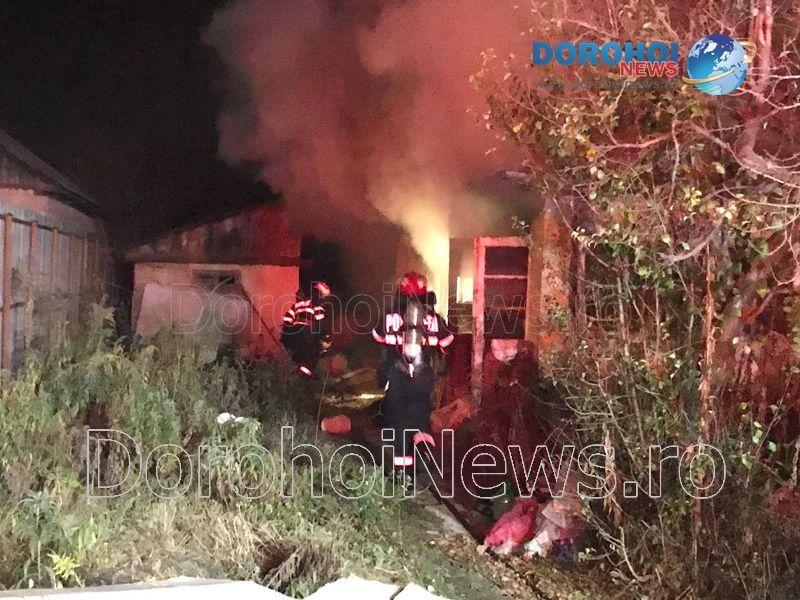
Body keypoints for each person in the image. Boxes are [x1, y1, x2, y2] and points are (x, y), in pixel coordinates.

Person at [371, 272, 453, 471]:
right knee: (422, 416)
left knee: (399, 420)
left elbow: (377, 336)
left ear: (400, 291)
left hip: (397, 376)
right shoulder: (433, 318)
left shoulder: (390, 316)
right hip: (423, 376)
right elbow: (448, 341)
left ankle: (403, 470)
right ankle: (424, 457)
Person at [281, 281, 331, 377]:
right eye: (324, 297)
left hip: (294, 334)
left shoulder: (297, 304)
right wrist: (325, 337)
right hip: (307, 335)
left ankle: (296, 372)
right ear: (320, 295)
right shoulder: (317, 306)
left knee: (297, 356)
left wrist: (289, 333)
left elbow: (287, 319)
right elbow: (321, 324)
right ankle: (305, 376)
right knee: (312, 356)